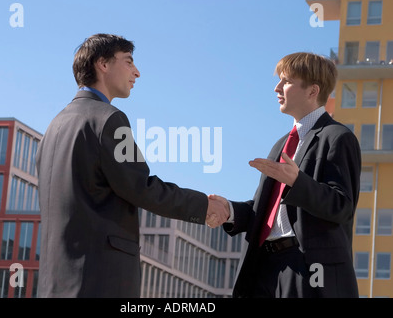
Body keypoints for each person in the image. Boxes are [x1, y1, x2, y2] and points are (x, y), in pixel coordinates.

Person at [36, 33, 229, 298]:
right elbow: (141, 188)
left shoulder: (53, 128)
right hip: (101, 278)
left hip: (55, 282)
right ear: (102, 64)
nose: (136, 72)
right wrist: (204, 206)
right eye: (128, 62)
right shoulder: (110, 119)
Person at [210, 52, 361, 298]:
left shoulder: (338, 138)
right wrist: (229, 210)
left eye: (286, 81)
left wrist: (297, 181)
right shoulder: (280, 145)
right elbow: (266, 212)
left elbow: (342, 205)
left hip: (308, 270)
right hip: (266, 267)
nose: (276, 88)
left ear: (313, 91)